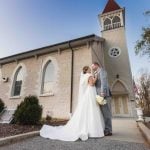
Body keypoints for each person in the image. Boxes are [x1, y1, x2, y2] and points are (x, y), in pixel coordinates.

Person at [40, 66, 104, 141]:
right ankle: (93, 131)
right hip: (90, 93)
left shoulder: (84, 76)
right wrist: (95, 77)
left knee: (89, 109)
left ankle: (92, 129)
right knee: (91, 109)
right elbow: (91, 84)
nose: (90, 70)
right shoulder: (89, 75)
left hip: (88, 93)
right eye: (89, 69)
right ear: (86, 70)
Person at [91, 62, 112, 136]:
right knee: (102, 113)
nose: (92, 67)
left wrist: (103, 92)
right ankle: (104, 128)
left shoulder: (102, 71)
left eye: (93, 66)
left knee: (106, 113)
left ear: (96, 65)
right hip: (97, 94)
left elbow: (104, 82)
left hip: (102, 94)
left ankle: (109, 130)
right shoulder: (96, 72)